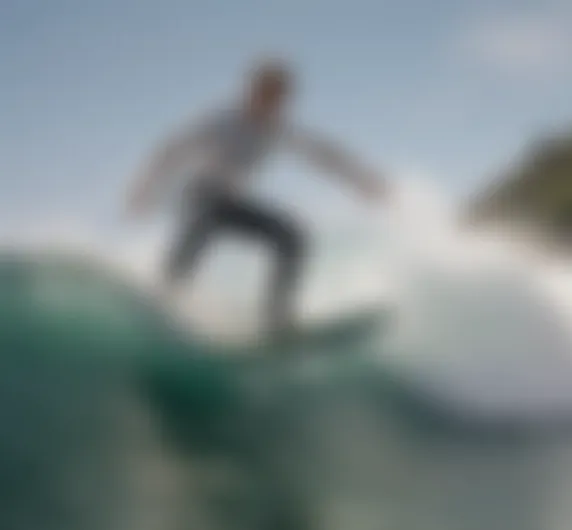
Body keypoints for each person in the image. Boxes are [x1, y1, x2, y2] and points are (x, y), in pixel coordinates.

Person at [125, 59, 388, 338]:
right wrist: (144, 188)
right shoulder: (222, 121)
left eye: (280, 98)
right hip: (201, 196)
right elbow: (172, 149)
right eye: (268, 94)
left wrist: (362, 179)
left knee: (291, 236)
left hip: (232, 203)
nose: (274, 104)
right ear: (252, 91)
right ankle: (163, 300)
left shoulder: (277, 129)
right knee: (200, 227)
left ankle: (277, 320)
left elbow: (322, 154)